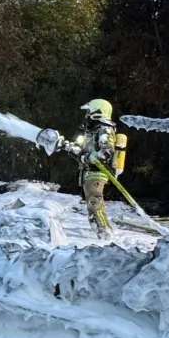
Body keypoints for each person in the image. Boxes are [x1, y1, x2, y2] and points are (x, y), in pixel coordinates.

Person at [62, 99, 121, 238]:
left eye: (89, 111)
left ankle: (104, 232)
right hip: (90, 171)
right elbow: (83, 150)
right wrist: (67, 146)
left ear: (97, 111)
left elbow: (106, 152)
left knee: (94, 200)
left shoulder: (104, 129)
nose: (87, 115)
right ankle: (102, 227)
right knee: (94, 201)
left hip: (98, 172)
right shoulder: (94, 130)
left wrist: (88, 158)